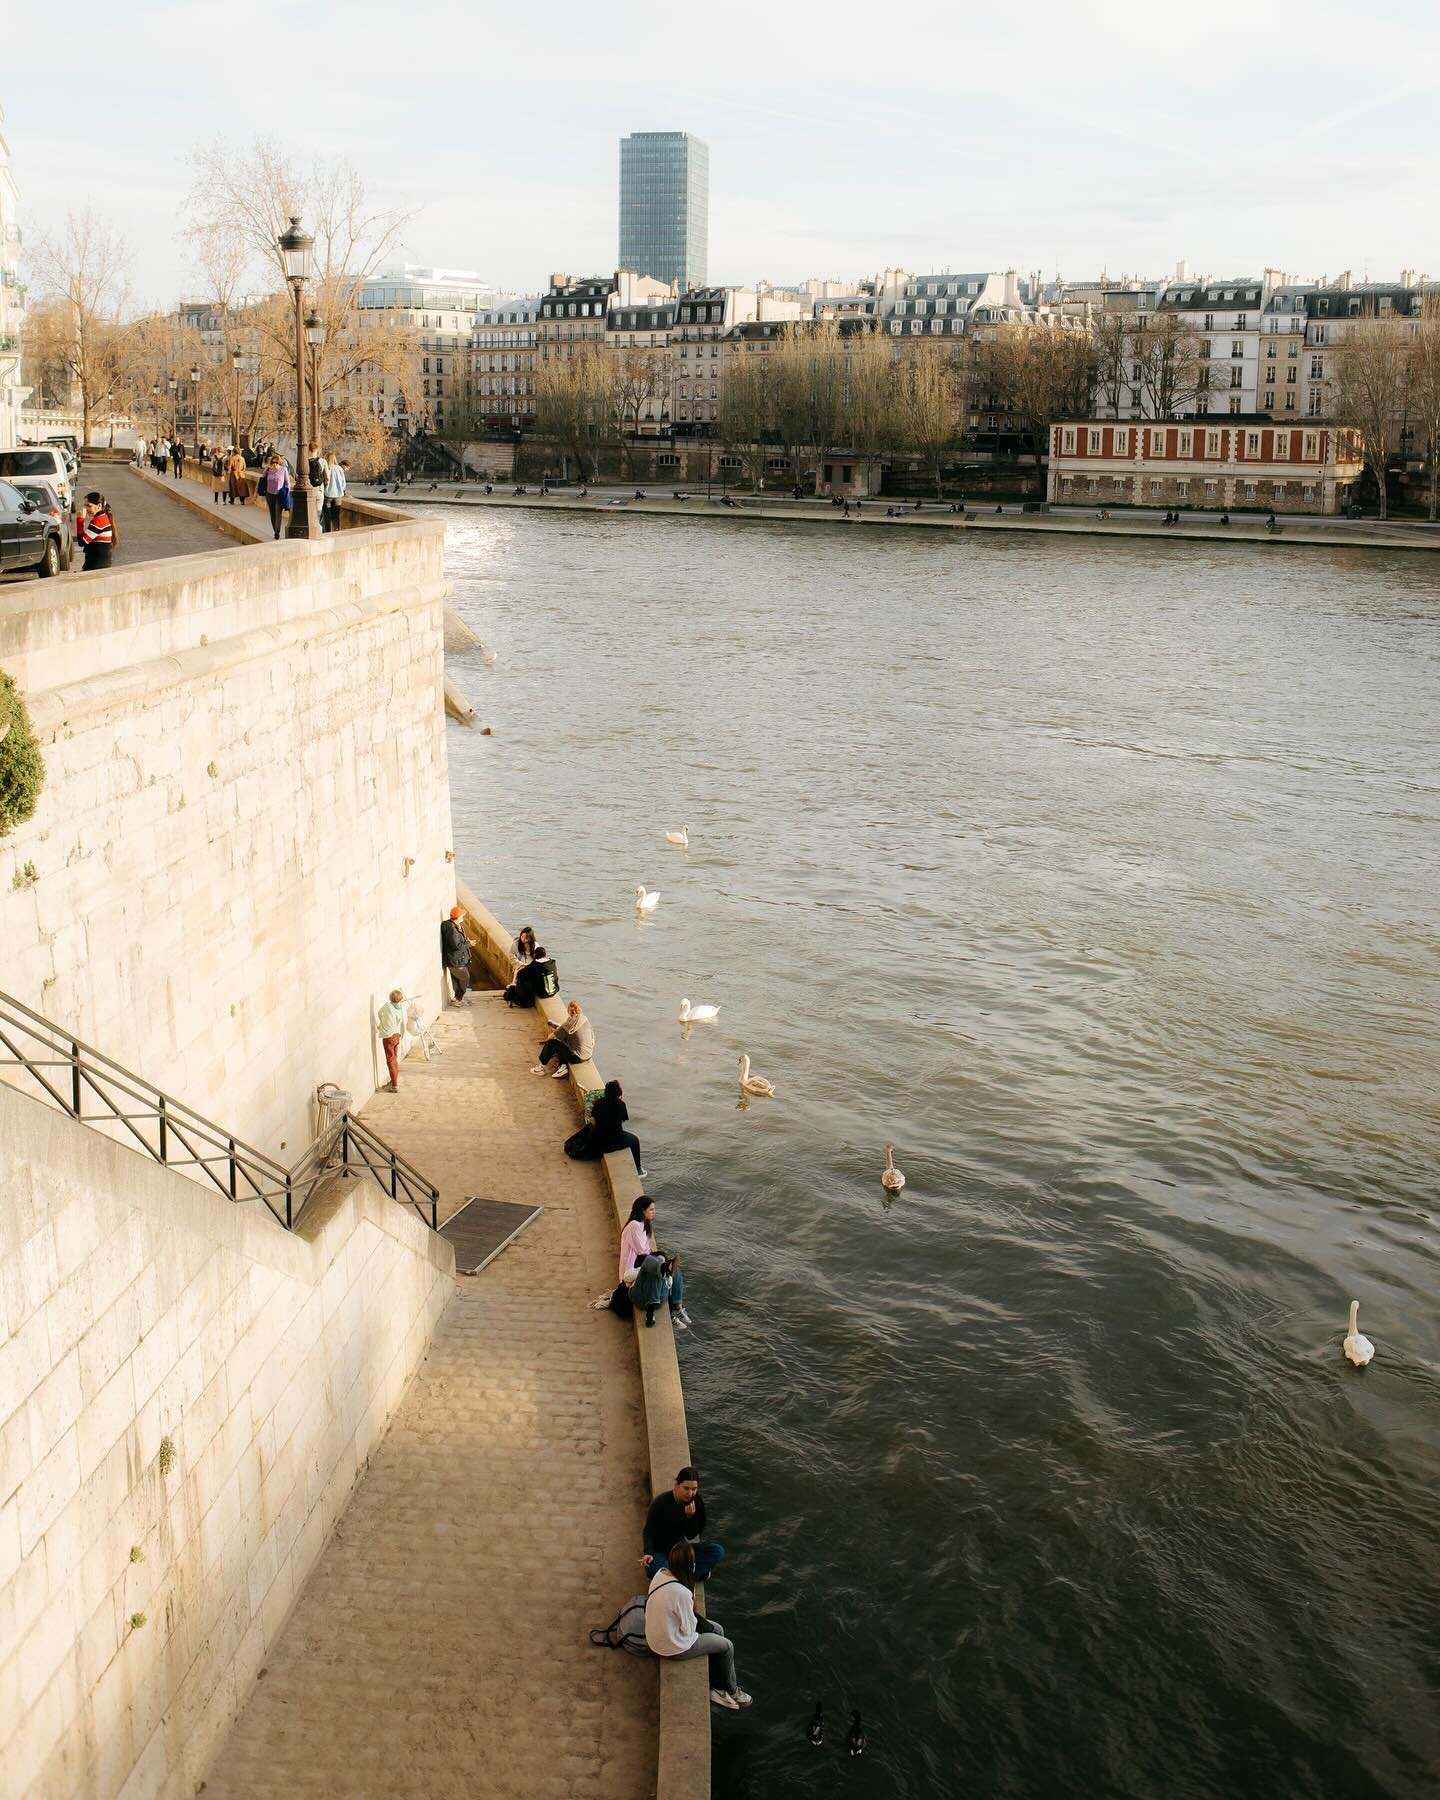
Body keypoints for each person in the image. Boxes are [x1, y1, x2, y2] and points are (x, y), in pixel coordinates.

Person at [645, 1543, 749, 1709]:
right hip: (672, 1647)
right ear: (688, 1565)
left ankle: (717, 1686)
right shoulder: (681, 1593)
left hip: (656, 1638)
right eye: (693, 1562)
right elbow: (688, 1629)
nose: (695, 1565)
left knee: (718, 1630)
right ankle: (731, 1689)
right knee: (727, 1646)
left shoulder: (660, 1574)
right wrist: (692, 1602)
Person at [643, 1469, 725, 1586]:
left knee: (717, 1551)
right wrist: (648, 1553)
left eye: (694, 1489)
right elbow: (648, 1531)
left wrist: (690, 1518)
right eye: (686, 1488)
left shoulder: (696, 1502)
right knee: (653, 1570)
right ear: (677, 1485)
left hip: (680, 1550)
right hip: (660, 1551)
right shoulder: (661, 1503)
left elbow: (691, 1535)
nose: (690, 1493)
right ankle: (691, 1575)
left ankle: (676, 1577)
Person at [590, 1079, 645, 1177]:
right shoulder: (621, 1105)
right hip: (612, 1143)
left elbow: (593, 1120)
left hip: (598, 1141)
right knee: (635, 1140)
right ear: (618, 1095)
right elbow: (622, 1120)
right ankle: (638, 1168)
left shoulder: (599, 1102)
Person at [531, 998, 593, 1077]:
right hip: (588, 1054)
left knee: (552, 1043)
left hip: (577, 1058)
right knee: (562, 1040)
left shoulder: (568, 1024)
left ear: (568, 1011)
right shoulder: (584, 1019)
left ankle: (540, 1068)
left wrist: (557, 1032)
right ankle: (563, 1067)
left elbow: (550, 1037)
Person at [504, 943, 556, 1007]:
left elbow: (521, 974)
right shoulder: (552, 963)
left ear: (535, 955)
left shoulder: (535, 965)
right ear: (545, 954)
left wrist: (520, 969)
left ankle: (514, 990)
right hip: (553, 991)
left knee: (524, 979)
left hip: (542, 993)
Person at [75, 493, 116, 571]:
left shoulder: (99, 520)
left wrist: (80, 519)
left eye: (89, 506)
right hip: (97, 564)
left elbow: (82, 541)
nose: (86, 509)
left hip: (97, 565)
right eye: (85, 506)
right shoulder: (102, 518)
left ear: (99, 506)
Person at [441, 906, 472, 1005]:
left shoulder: (453, 925)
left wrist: (465, 941)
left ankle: (458, 999)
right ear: (458, 917)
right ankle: (459, 998)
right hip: (455, 960)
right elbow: (456, 946)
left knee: (456, 979)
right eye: (462, 915)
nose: (463, 917)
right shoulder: (452, 929)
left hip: (455, 959)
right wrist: (469, 944)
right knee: (465, 977)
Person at [377, 988, 406, 1091]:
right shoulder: (400, 1009)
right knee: (394, 1059)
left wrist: (381, 1025)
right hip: (397, 1036)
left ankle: (394, 1085)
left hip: (388, 1037)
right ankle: (394, 1081)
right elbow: (399, 1022)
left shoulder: (387, 1005)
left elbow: (379, 1013)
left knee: (390, 1060)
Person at [260, 454, 291, 539]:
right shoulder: (268, 470)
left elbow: (287, 483)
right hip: (269, 495)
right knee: (272, 514)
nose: (275, 464)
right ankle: (275, 530)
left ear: (279, 462)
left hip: (279, 495)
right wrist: (266, 469)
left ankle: (277, 531)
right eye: (273, 462)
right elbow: (262, 480)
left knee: (278, 514)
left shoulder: (283, 470)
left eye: (276, 462)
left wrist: (286, 493)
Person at [323, 456, 348, 532]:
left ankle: (328, 530)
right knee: (336, 515)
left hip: (328, 495)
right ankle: (336, 529)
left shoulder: (326, 467)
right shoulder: (339, 468)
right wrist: (342, 490)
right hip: (338, 495)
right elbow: (343, 482)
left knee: (327, 514)